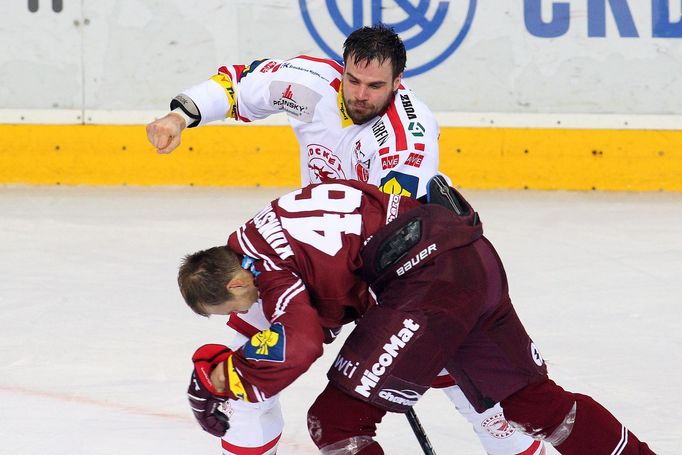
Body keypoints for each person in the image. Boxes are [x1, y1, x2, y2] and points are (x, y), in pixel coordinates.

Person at [149, 24, 544, 454]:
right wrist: (178, 116)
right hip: (314, 261)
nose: (360, 94)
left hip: (404, 266)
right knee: (244, 383)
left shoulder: (405, 141)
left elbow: (393, 240)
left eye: (375, 86)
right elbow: (239, 84)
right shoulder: (309, 84)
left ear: (397, 83)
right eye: (353, 80)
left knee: (471, 391)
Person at [179, 178, 656, 455]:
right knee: (537, 403)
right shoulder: (277, 217)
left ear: (236, 281)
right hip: (471, 256)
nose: (245, 312)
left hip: (428, 282)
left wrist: (230, 376)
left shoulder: (264, 265)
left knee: (337, 421)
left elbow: (300, 340)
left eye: (232, 307)